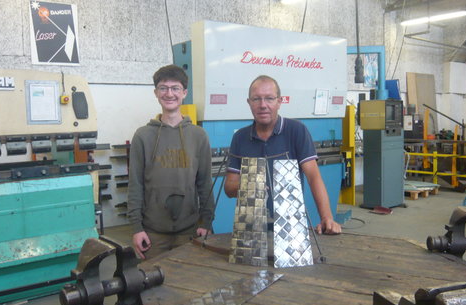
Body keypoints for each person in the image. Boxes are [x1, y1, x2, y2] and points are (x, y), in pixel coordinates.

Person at [224, 75, 341, 235]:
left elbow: (313, 177)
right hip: (251, 232)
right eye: (256, 99)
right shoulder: (240, 138)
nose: (263, 105)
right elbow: (229, 188)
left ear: (280, 101)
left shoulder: (297, 131)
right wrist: (250, 186)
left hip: (291, 228)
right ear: (249, 103)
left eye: (269, 99)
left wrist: (327, 217)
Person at [127, 65, 214, 259]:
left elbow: (205, 184)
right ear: (156, 93)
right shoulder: (143, 136)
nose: (169, 93)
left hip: (189, 231)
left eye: (175, 88)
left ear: (184, 93)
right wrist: (136, 228)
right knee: (153, 285)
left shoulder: (198, 136)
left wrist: (206, 222)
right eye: (163, 88)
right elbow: (135, 184)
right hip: (152, 234)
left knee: (189, 283)